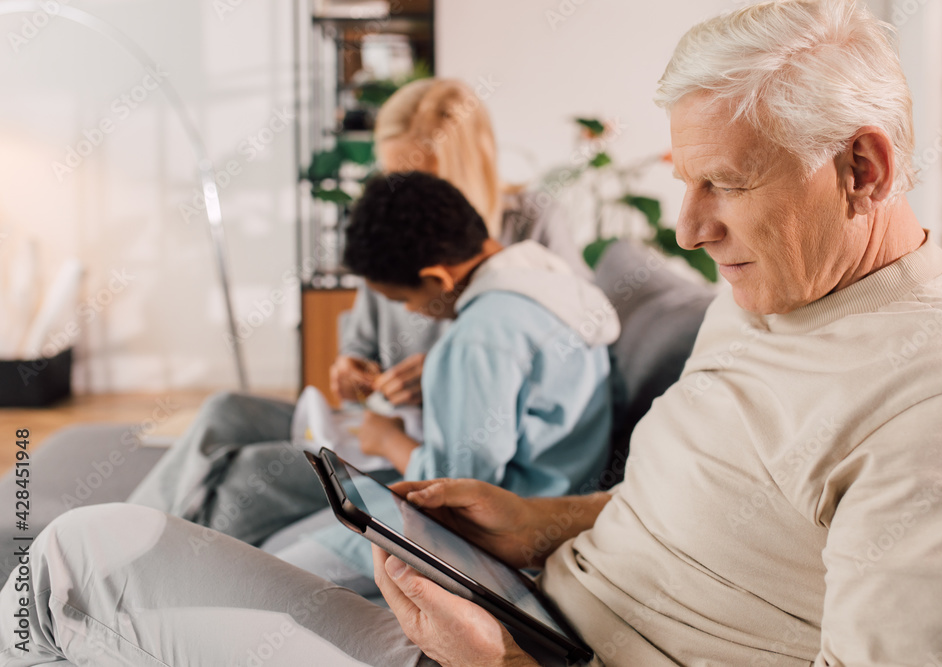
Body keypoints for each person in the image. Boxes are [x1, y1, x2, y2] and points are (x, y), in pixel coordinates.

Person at [3, 0, 942, 665]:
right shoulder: (776, 285)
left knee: (72, 569)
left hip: (519, 654)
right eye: (683, 181)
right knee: (81, 551)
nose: (692, 228)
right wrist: (541, 523)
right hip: (525, 604)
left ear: (861, 169)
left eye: (725, 186)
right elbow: (718, 496)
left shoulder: (937, 408)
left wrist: (508, 662)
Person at [124, 77, 596, 583]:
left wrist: (433, 379)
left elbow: (560, 324)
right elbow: (369, 327)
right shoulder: (400, 238)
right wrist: (352, 363)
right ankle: (122, 539)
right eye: (392, 174)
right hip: (395, 426)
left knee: (247, 477)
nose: (403, 193)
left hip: (427, 442)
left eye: (419, 175)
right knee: (226, 411)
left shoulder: (511, 273)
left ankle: (144, 573)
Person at [332, 76, 590, 408]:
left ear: (474, 163)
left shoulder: (534, 222)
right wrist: (352, 365)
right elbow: (362, 341)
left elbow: (580, 341)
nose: (403, 202)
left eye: (422, 181)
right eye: (394, 181)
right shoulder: (389, 233)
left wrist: (452, 373)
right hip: (398, 427)